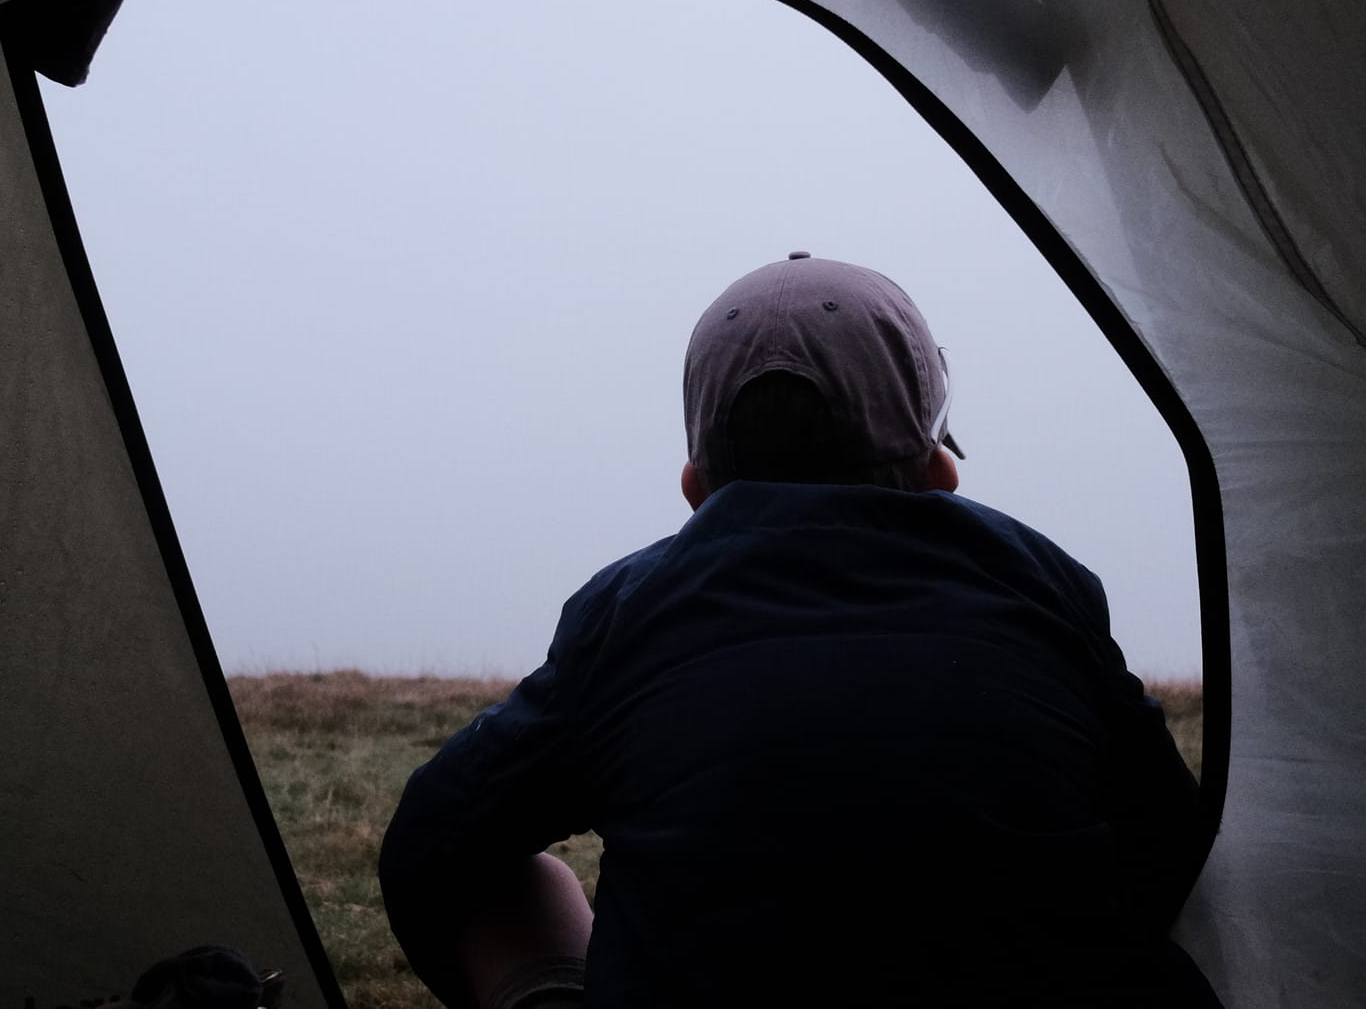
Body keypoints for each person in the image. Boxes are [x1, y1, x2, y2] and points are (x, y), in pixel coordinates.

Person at [379, 253, 1215, 1008]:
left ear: (695, 488)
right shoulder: (1043, 582)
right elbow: (1173, 849)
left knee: (527, 882)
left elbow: (428, 851)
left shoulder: (628, 611)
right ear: (940, 474)